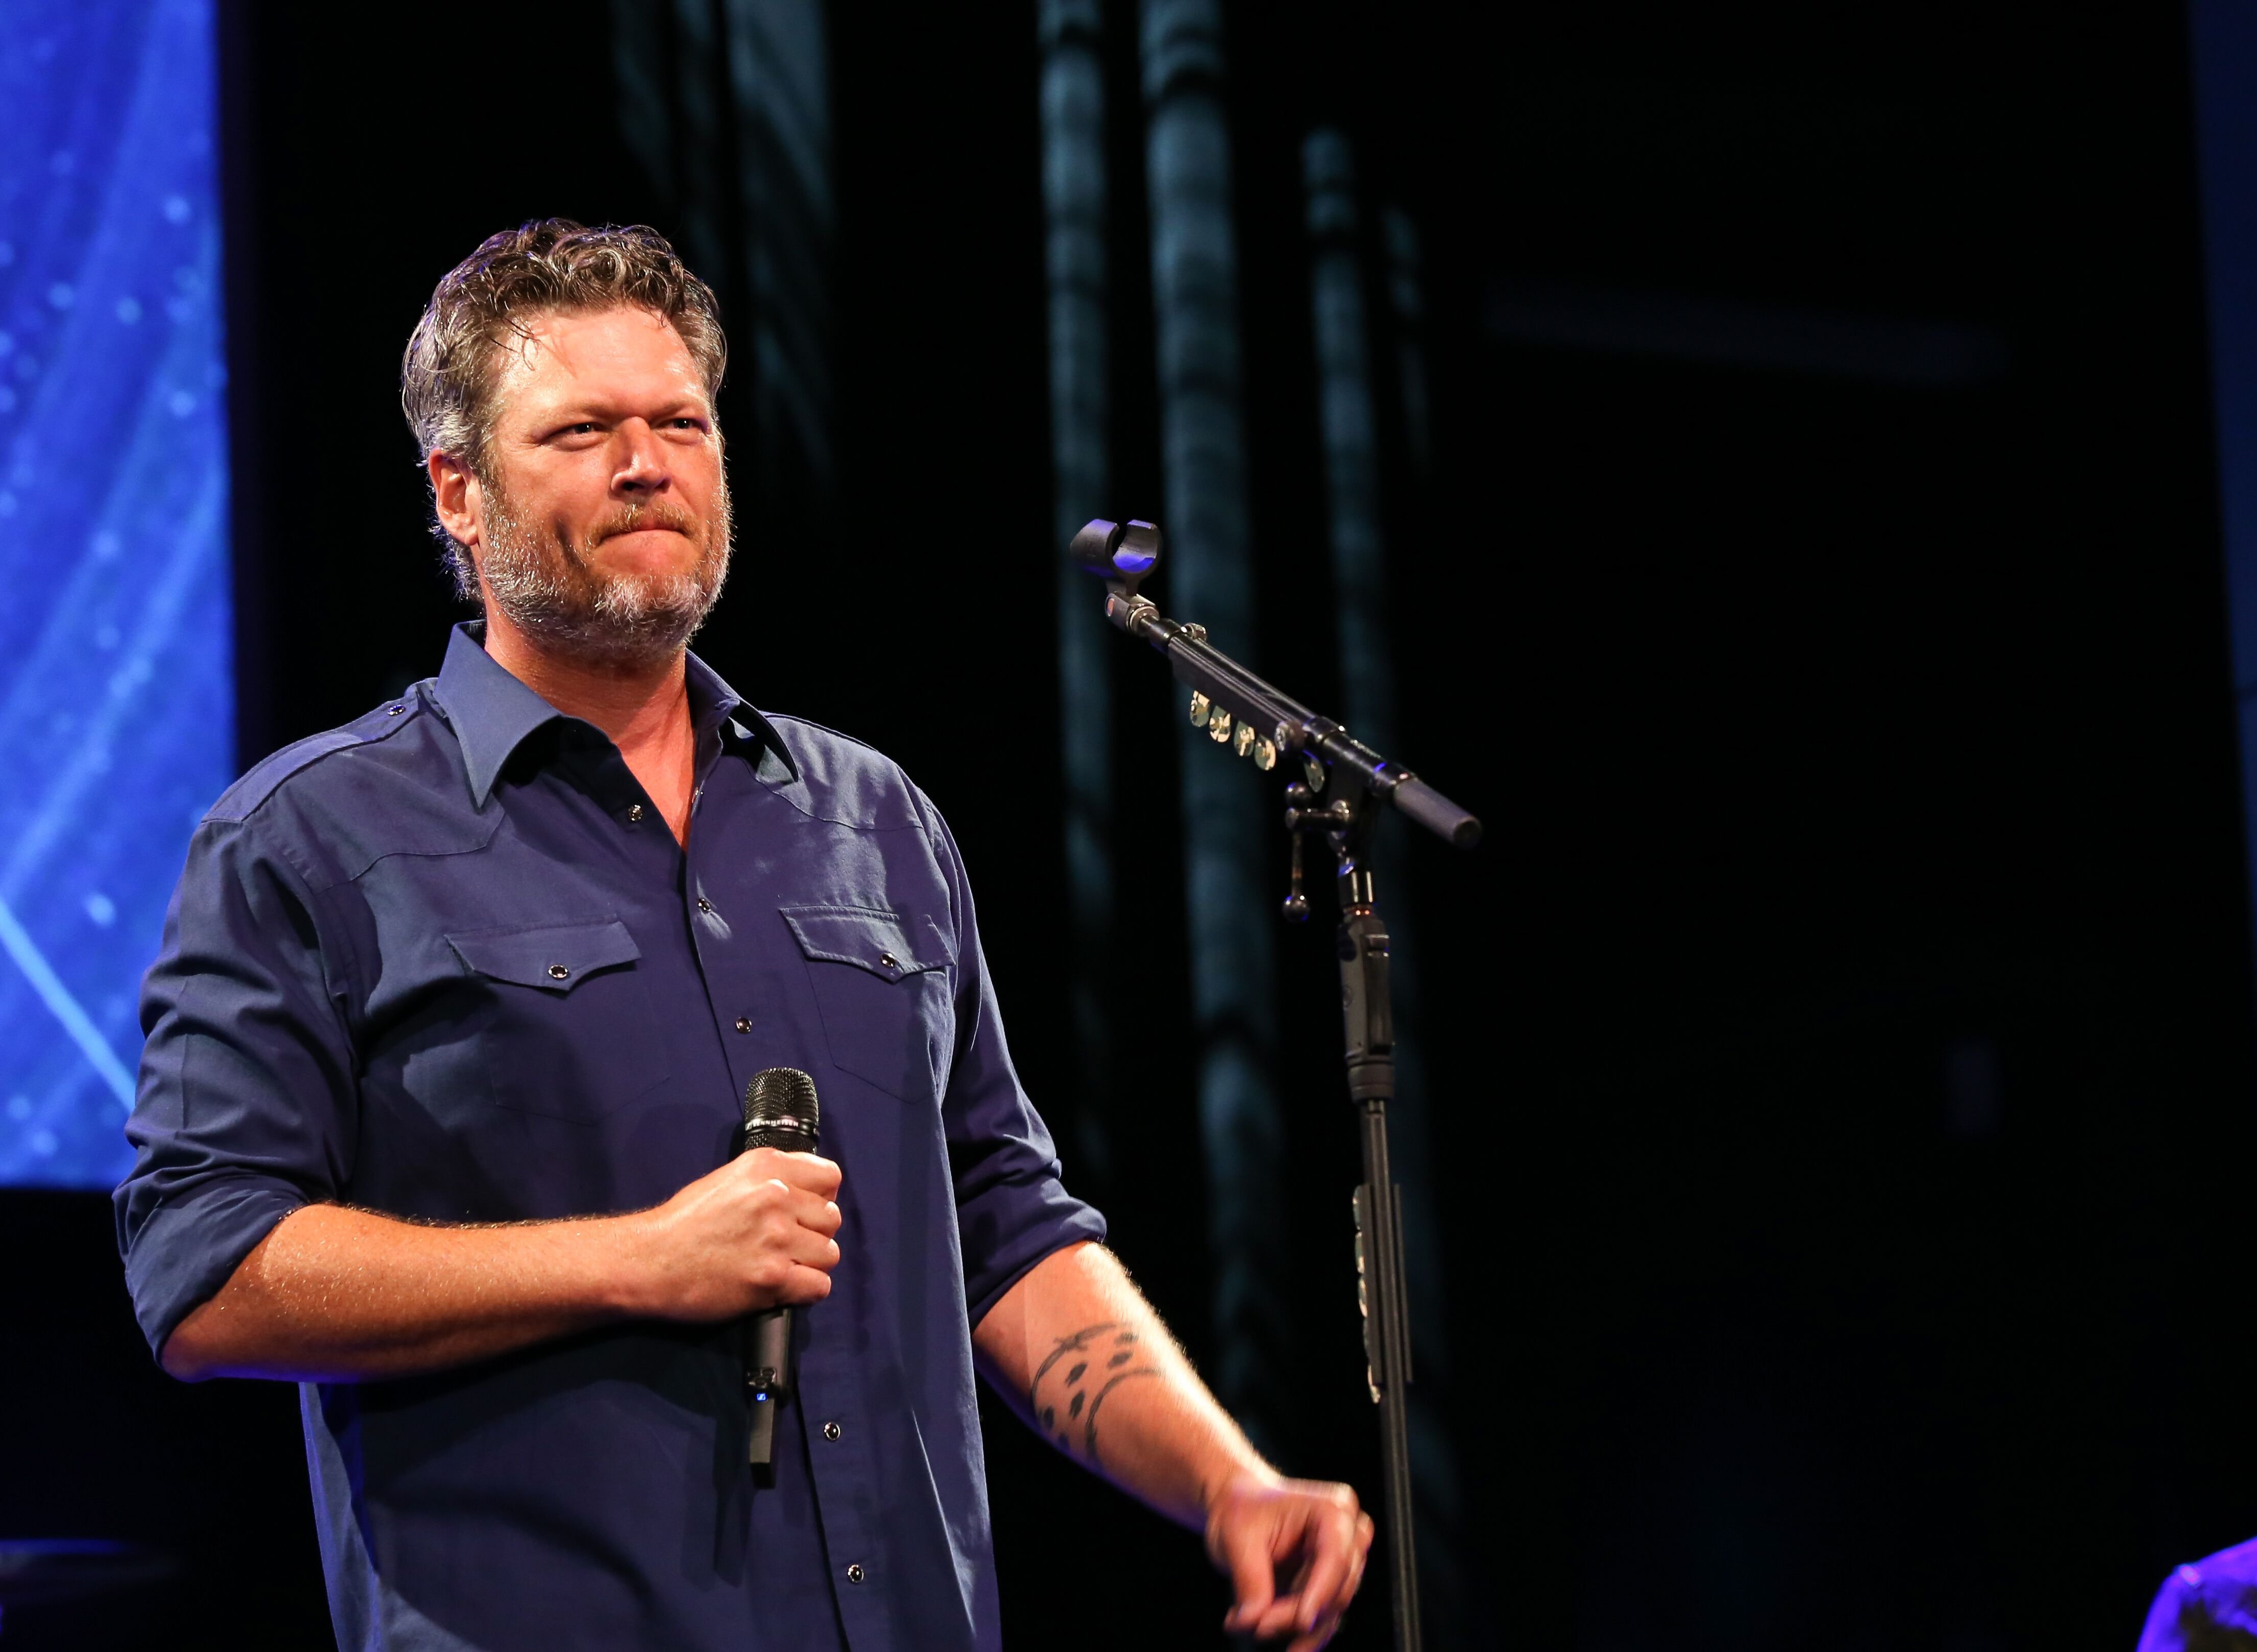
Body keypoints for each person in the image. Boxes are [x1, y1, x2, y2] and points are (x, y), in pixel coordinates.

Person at [114, 218, 1371, 1652]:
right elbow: (205, 1270)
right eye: (581, 431)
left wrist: (1225, 1483)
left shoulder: (872, 818)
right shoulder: (308, 839)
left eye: (680, 423)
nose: (646, 464)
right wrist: (632, 1260)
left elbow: (1005, 1225)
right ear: (456, 493)